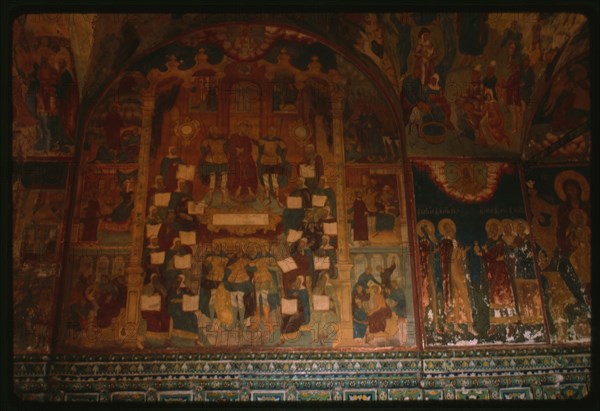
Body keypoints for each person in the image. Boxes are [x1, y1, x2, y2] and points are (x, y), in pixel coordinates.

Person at [475, 219, 518, 330]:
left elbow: (498, 255)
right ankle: (494, 324)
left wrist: (484, 253)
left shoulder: (501, 242)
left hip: (502, 272)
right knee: (494, 297)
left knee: (506, 295)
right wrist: (480, 253)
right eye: (490, 229)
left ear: (498, 231)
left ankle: (510, 323)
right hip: (492, 272)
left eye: (494, 229)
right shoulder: (488, 243)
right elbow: (488, 257)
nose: (492, 231)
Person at [167, 275, 204, 346]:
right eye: (177, 279)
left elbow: (192, 296)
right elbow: (169, 300)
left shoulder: (184, 289)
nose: (178, 281)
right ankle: (176, 339)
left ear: (182, 281)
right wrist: (177, 301)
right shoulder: (172, 289)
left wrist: (187, 293)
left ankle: (195, 338)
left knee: (193, 317)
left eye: (180, 280)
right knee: (181, 316)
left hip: (184, 308)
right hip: (173, 308)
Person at [226, 123, 258, 201]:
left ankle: (249, 190)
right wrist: (237, 151)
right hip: (235, 158)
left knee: (250, 168)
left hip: (246, 157)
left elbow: (249, 149)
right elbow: (230, 147)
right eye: (243, 128)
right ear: (239, 128)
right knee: (238, 168)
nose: (245, 130)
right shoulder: (233, 137)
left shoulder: (247, 138)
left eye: (246, 128)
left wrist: (243, 152)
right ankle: (235, 189)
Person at [199, 125, 229, 205]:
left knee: (224, 183)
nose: (216, 132)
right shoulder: (207, 140)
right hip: (212, 161)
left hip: (223, 160)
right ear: (211, 132)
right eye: (214, 130)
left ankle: (225, 201)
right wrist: (207, 150)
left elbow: (227, 149)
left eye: (217, 130)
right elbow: (203, 149)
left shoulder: (224, 140)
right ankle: (210, 200)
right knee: (212, 182)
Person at [258, 125, 288, 206]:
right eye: (269, 130)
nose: (271, 132)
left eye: (272, 130)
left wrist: (280, 156)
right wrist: (261, 157)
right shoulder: (264, 139)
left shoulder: (278, 140)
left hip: (274, 162)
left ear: (275, 131)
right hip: (265, 161)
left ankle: (277, 198)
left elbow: (284, 150)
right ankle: (268, 198)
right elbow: (260, 150)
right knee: (266, 180)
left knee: (275, 181)